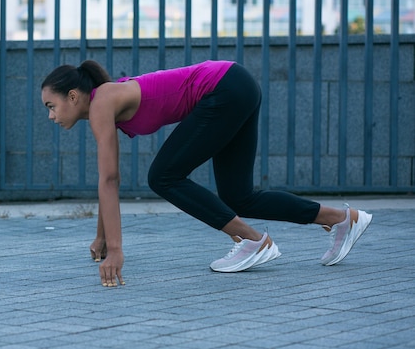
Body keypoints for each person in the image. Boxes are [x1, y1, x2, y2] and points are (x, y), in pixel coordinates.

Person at [40, 59, 372, 287]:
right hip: (236, 83)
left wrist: (115, 250)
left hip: (224, 89)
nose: (51, 117)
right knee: (239, 196)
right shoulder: (104, 101)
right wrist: (101, 238)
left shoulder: (100, 104)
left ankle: (253, 240)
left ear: (73, 96)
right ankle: (342, 219)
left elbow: (109, 180)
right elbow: (108, 179)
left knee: (163, 176)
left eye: (51, 107)